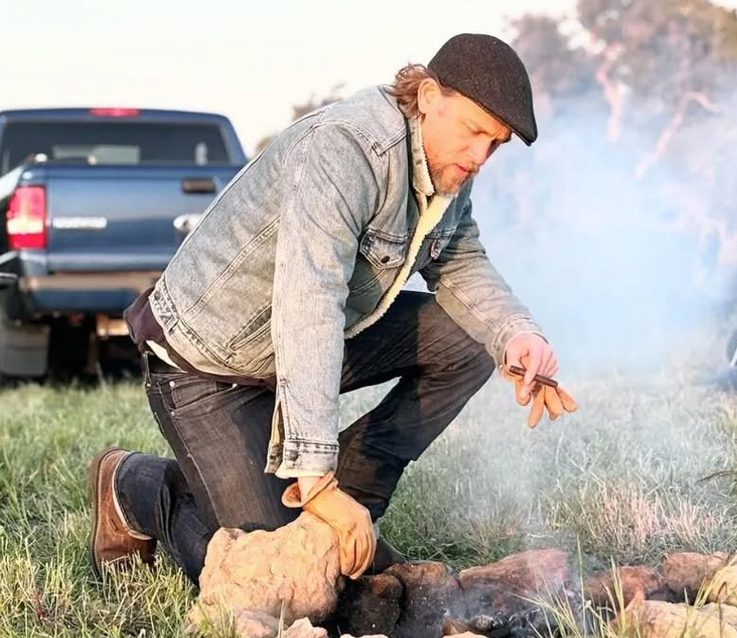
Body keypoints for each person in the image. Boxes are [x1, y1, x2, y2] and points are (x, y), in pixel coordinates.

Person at [86, 32, 577, 587]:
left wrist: (516, 334)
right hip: (208, 366)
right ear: (431, 96)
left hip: (293, 347)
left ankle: (347, 503)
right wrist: (315, 480)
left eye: (497, 143)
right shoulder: (344, 150)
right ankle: (136, 484)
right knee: (276, 573)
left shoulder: (445, 166)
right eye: (475, 134)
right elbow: (309, 304)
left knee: (468, 342)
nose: (481, 156)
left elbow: (458, 258)